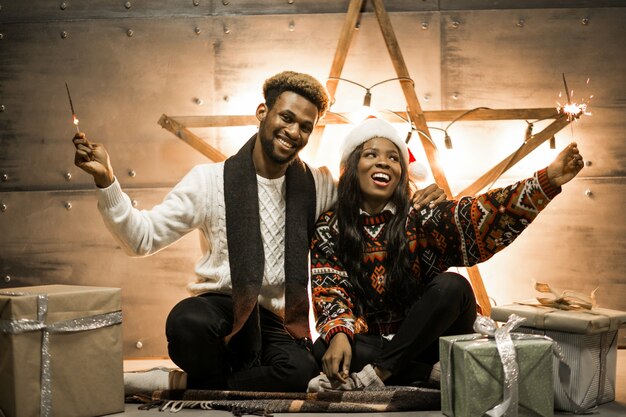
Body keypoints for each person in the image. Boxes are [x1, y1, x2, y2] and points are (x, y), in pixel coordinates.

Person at [72, 71, 446, 393]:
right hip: (222, 307)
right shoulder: (209, 181)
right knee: (187, 324)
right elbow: (141, 238)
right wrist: (107, 181)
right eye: (286, 117)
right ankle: (240, 377)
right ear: (262, 113)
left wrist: (417, 197)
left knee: (301, 371)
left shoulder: (318, 186)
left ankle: (194, 384)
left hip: (277, 322)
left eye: (305, 126)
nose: (293, 131)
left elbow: (367, 194)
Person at [307, 117, 584, 392]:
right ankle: (432, 375)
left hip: (431, 340)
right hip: (376, 342)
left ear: (402, 172)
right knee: (325, 346)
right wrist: (339, 333)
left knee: (454, 285)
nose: (383, 162)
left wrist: (545, 182)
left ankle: (381, 373)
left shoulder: (420, 213)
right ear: (352, 166)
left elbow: (481, 216)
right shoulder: (330, 227)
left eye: (393, 158)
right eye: (371, 154)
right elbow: (330, 289)